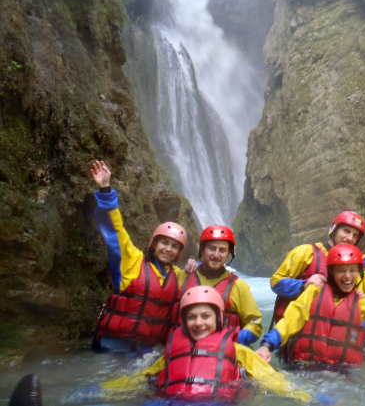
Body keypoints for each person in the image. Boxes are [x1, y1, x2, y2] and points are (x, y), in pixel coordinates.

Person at [100, 286, 310, 402]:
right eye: (191, 317)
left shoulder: (238, 351)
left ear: (219, 319)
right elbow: (142, 377)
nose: (198, 323)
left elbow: (271, 379)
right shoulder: (172, 351)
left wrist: (307, 397)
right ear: (183, 321)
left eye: (205, 316)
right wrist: (101, 390)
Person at [256, 244, 365, 366]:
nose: (347, 277)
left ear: (359, 273)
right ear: (331, 272)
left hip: (341, 371)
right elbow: (290, 321)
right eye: (341, 271)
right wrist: (266, 346)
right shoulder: (314, 292)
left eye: (352, 271)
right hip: (305, 367)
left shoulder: (361, 302)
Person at [90, 160, 187, 354]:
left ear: (179, 254)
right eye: (164, 243)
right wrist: (105, 188)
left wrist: (195, 264)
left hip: (147, 350)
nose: (168, 249)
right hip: (113, 344)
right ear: (154, 244)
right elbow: (115, 228)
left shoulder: (179, 275)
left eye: (174, 246)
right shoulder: (132, 259)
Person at [269, 211, 365, 327]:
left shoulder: (354, 265)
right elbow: (276, 282)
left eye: (355, 235)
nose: (350, 238)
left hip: (328, 330)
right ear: (334, 230)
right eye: (346, 231)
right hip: (295, 330)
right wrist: (303, 286)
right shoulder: (306, 252)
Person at [170, 225, 262, 346]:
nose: (216, 255)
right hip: (182, 348)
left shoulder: (239, 286)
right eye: (212, 248)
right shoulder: (181, 276)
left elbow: (255, 322)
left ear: (229, 253)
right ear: (202, 250)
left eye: (222, 250)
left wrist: (235, 340)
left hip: (222, 353)